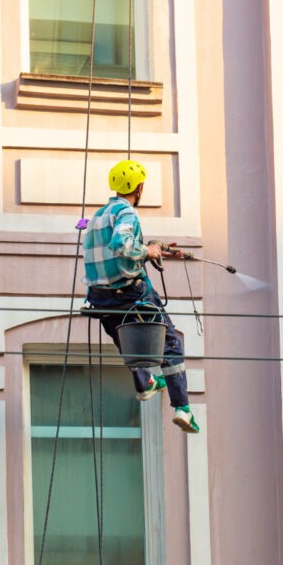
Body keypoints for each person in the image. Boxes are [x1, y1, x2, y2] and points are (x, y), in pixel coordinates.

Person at [82, 159, 199, 434]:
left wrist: (153, 247)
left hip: (100, 296)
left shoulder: (97, 216)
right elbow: (122, 244)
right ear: (139, 187)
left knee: (130, 343)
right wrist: (148, 252)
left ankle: (145, 383)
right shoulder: (127, 213)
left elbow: (113, 249)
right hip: (130, 291)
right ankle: (182, 408)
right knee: (169, 341)